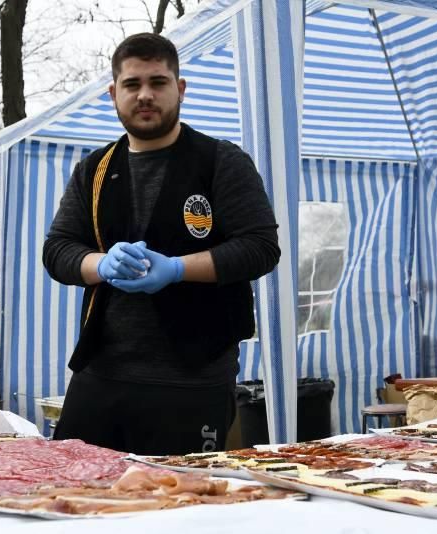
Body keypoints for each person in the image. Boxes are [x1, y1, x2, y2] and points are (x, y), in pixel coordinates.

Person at [43, 33, 280, 455]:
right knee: (75, 498)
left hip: (194, 377)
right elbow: (58, 250)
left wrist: (176, 269)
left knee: (178, 504)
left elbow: (260, 246)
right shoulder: (93, 170)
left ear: (180, 88)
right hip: (101, 374)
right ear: (114, 94)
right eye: (132, 85)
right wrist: (100, 264)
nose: (145, 95)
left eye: (158, 82)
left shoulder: (221, 161)